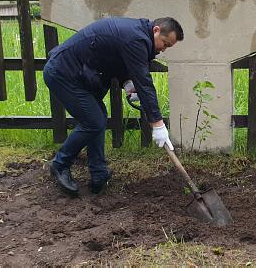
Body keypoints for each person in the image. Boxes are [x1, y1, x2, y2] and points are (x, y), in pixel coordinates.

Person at [43, 17, 183, 195]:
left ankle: (98, 173)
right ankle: (60, 164)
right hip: (63, 73)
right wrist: (158, 124)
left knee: (97, 117)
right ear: (156, 30)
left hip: (79, 75)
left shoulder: (137, 36)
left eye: (168, 46)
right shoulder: (136, 39)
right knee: (93, 121)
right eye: (165, 43)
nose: (164, 49)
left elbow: (118, 60)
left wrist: (127, 83)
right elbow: (144, 83)